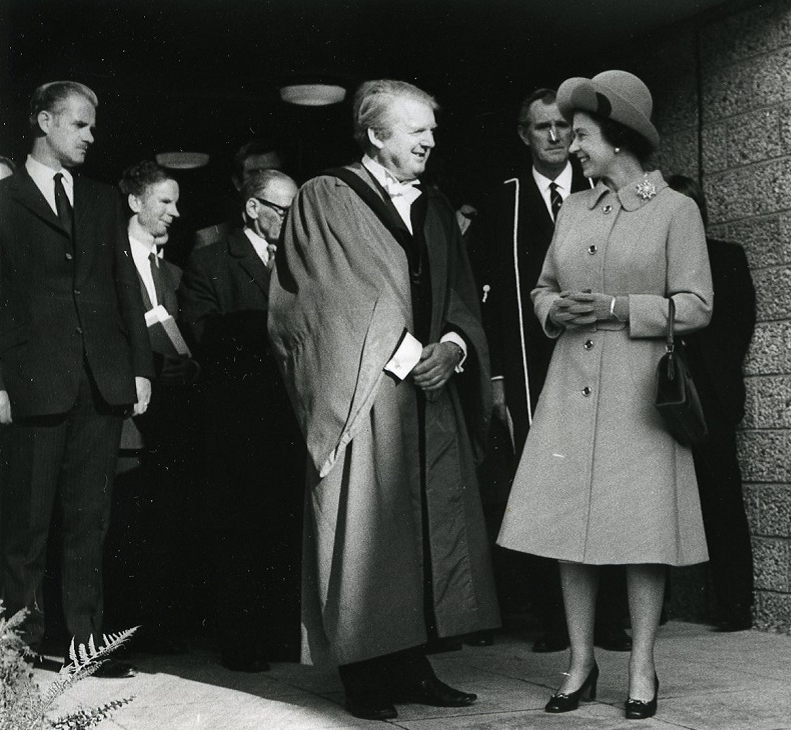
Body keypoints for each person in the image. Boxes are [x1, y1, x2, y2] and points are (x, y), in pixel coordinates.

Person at [268, 79, 499, 721]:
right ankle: (364, 672)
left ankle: (410, 663)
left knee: (423, 531)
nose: (430, 140)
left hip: (429, 393)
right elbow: (330, 301)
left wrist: (452, 349)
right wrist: (407, 358)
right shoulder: (326, 197)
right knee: (367, 531)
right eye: (416, 128)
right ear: (375, 135)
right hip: (366, 394)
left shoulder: (433, 204)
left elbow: (458, 292)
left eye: (431, 128)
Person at [497, 70, 713, 720]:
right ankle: (580, 662)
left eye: (582, 134)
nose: (571, 145)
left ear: (617, 140)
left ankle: (642, 668)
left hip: (637, 396)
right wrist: (551, 310)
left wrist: (620, 307)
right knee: (571, 532)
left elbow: (697, 305)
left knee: (640, 535)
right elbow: (540, 287)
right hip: (570, 390)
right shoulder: (573, 207)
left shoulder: (675, 209)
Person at [0, 81, 152, 679]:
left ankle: (85, 645)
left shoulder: (103, 199)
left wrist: (138, 367)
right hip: (32, 384)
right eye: (80, 125)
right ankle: (16, 650)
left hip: (101, 384)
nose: (91, 136)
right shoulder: (3, 200)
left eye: (92, 125)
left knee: (90, 521)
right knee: (25, 527)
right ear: (44, 122)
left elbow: (124, 287)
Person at [472, 87, 629, 654]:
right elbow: (484, 300)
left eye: (565, 126)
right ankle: (555, 620)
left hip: (601, 363)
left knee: (602, 483)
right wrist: (494, 383)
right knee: (544, 487)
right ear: (525, 135)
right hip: (528, 368)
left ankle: (609, 617)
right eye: (543, 128)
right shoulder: (502, 201)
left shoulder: (603, 190)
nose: (557, 136)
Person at [179, 168, 305, 672]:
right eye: (284, 209)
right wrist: (273, 333)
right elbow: (202, 333)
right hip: (240, 423)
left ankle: (280, 636)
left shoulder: (303, 262)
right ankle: (242, 641)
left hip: (293, 417)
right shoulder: (211, 260)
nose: (292, 220)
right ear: (253, 208)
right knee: (240, 532)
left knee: (284, 528)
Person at [105, 161, 199, 653]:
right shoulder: (101, 260)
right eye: (165, 201)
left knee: (155, 528)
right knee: (117, 527)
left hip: (165, 423)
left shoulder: (177, 274)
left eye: (177, 202)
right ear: (135, 201)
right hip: (119, 422)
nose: (175, 212)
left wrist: (185, 367)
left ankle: (149, 631)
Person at [666, 175, 758, 632]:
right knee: (654, 500)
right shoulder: (652, 260)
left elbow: (740, 322)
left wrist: (711, 374)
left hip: (712, 396)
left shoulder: (726, 256)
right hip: (659, 392)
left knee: (722, 499)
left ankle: (734, 605)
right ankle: (651, 609)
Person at [192, 138, 286, 250]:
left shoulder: (301, 233)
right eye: (256, 174)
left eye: (274, 173)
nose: (267, 182)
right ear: (238, 183)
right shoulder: (211, 241)